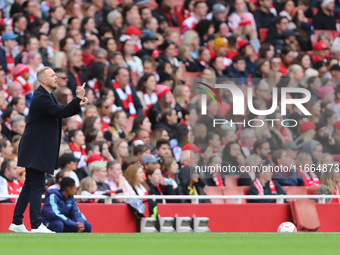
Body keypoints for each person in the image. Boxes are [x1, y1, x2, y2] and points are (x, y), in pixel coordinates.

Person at [9, 66, 88, 233]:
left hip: (35, 147)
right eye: (52, 75)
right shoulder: (41, 97)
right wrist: (77, 98)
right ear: (43, 80)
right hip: (35, 148)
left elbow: (63, 111)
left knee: (30, 185)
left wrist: (78, 102)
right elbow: (61, 111)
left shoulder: (47, 95)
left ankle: (17, 221)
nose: (56, 77)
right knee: (36, 186)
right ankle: (36, 225)